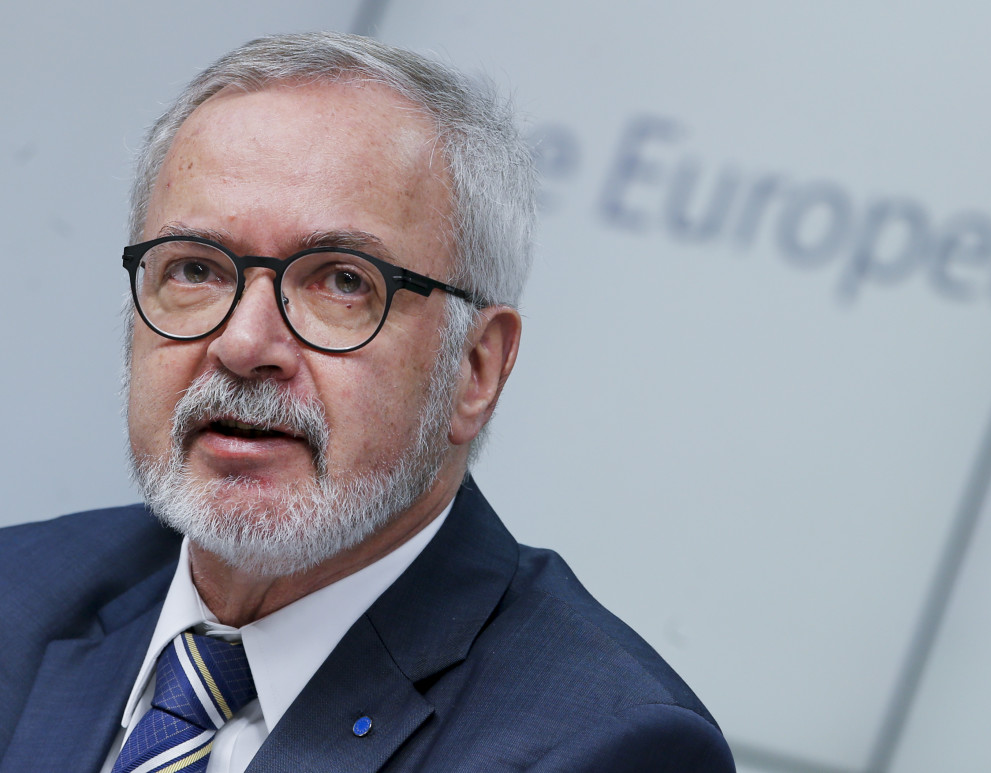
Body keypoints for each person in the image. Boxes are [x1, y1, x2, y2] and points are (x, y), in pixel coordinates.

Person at [0, 32, 733, 773]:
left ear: (475, 368)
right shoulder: (15, 592)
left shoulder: (603, 746)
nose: (244, 343)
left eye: (343, 281)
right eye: (195, 269)